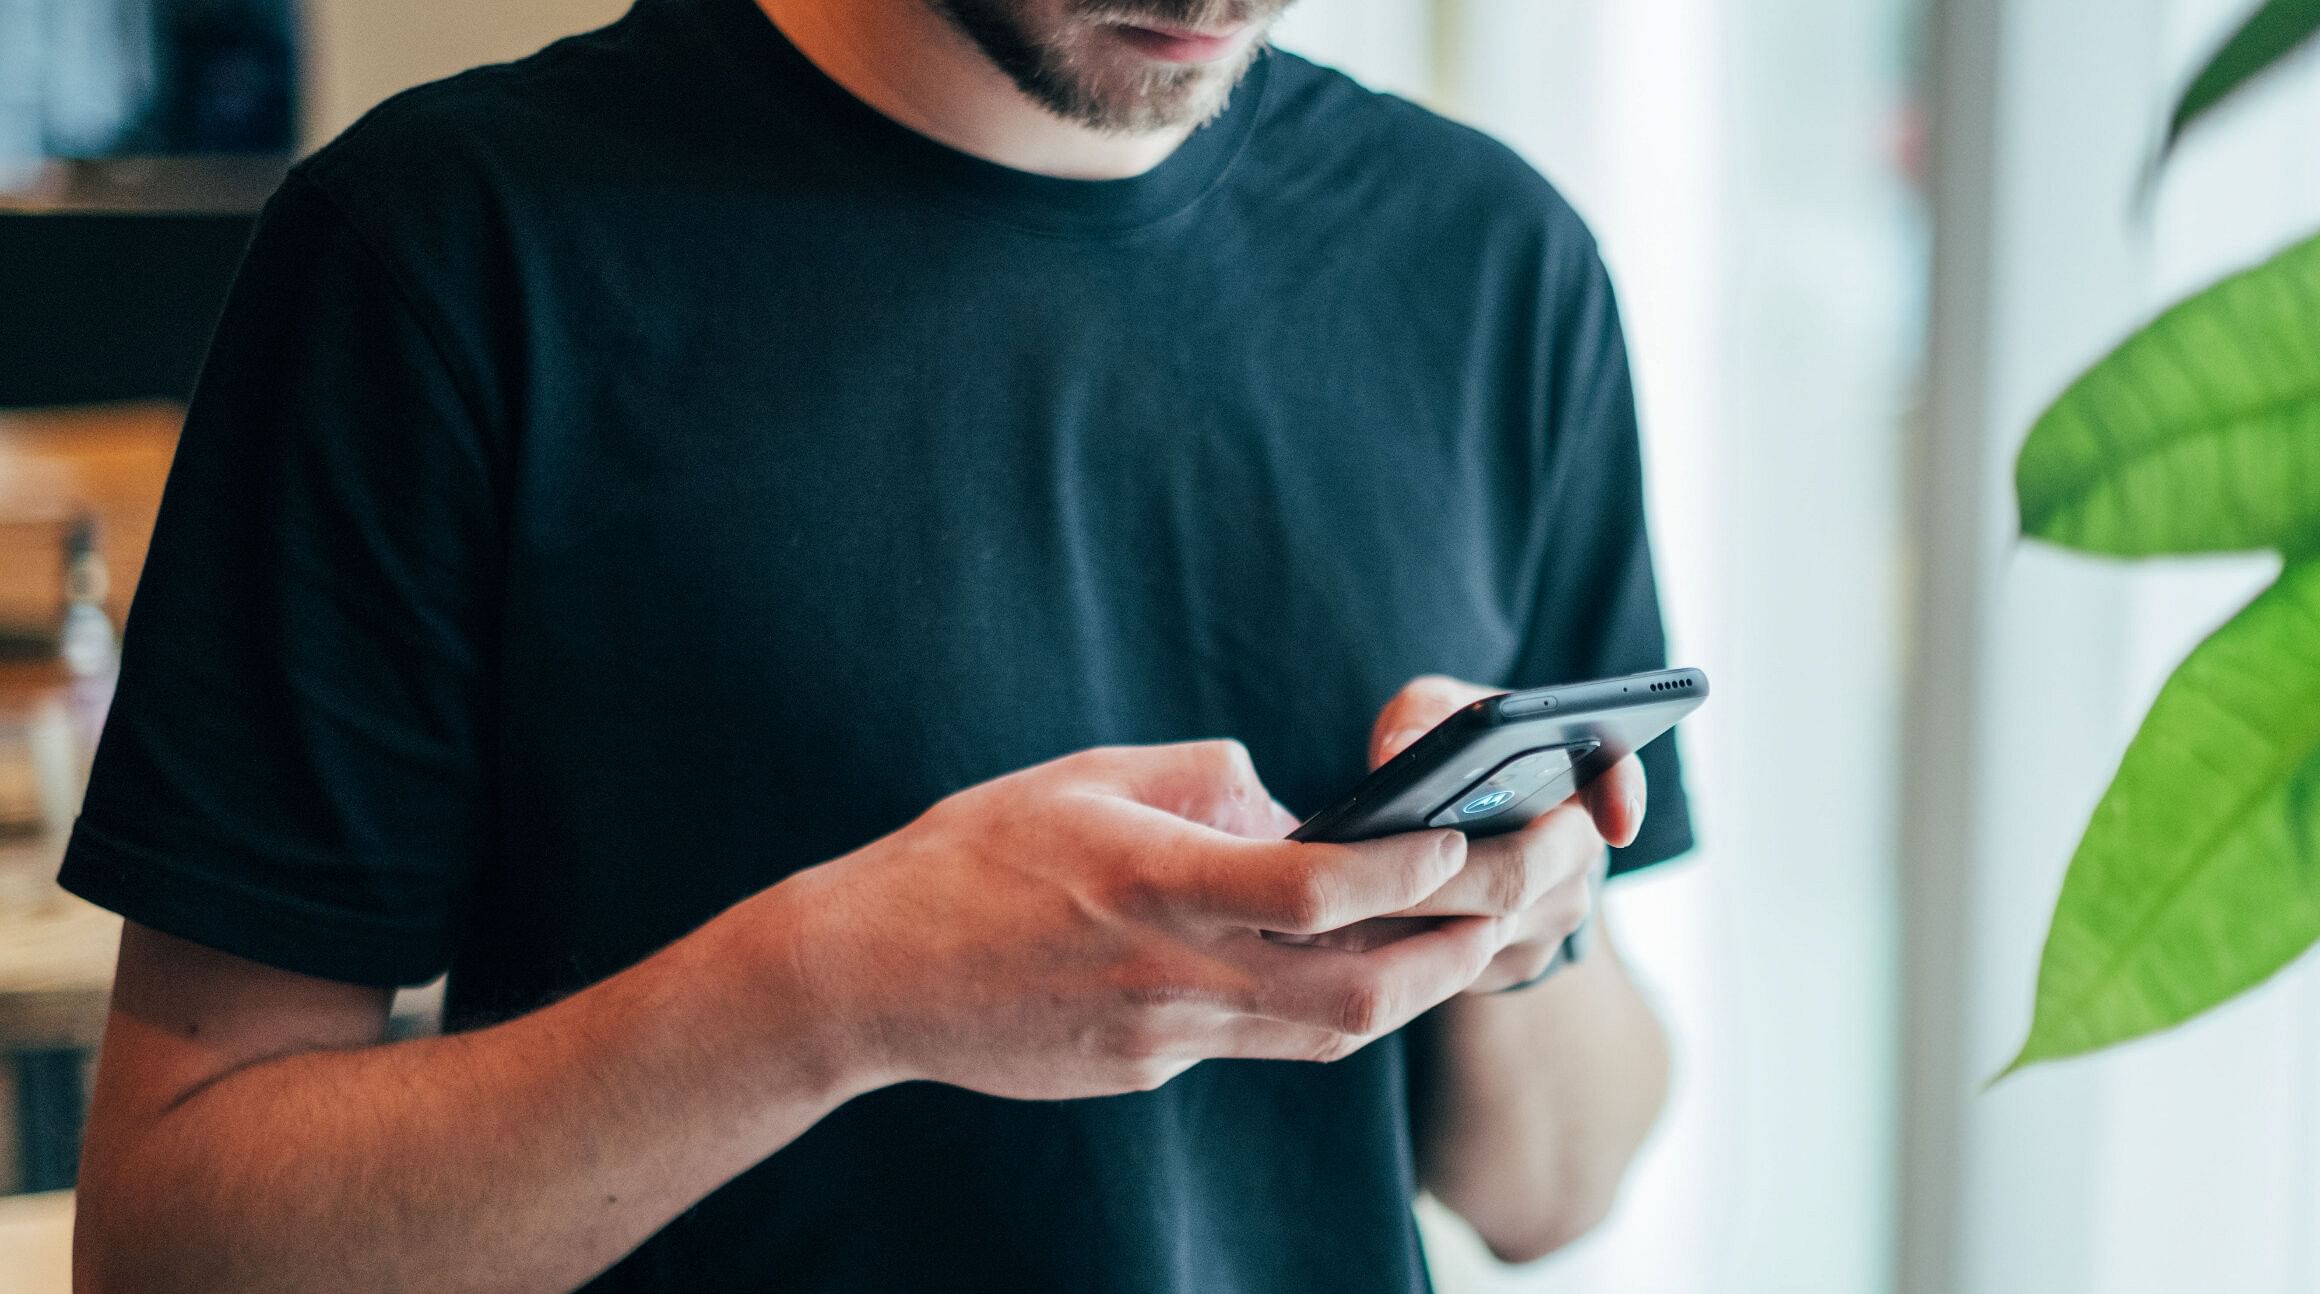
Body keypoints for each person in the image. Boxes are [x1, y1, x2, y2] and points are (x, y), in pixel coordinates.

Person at [61, 0, 1694, 1289]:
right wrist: (838, 991)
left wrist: (1518, 926)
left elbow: (1551, 1189)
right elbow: (182, 1252)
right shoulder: (440, 252)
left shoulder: (1498, 264)